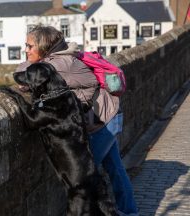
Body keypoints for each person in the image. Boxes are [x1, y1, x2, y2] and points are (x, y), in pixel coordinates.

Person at [15, 25, 139, 216]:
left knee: (83, 182)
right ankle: (129, 212)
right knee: (114, 169)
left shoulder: (59, 64)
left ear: (44, 47)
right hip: (108, 115)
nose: (26, 50)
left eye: (30, 46)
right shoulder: (64, 57)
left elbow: (22, 73)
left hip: (102, 122)